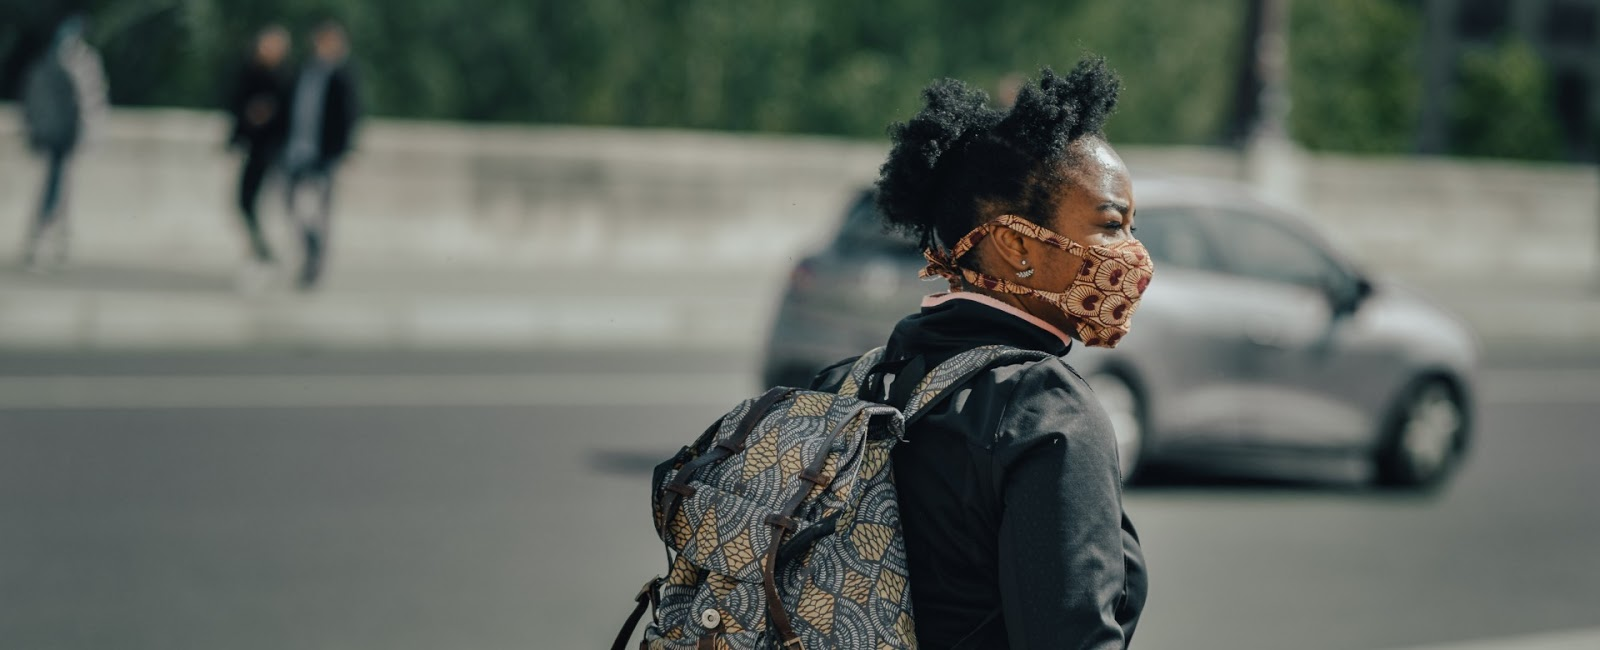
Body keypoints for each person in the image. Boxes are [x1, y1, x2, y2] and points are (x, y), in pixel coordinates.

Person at [811, 57, 1150, 648]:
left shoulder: (844, 385)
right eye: (1112, 224)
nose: (1134, 254)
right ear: (1016, 244)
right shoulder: (1044, 409)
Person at [19, 15, 106, 272]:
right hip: (62, 136)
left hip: (59, 136)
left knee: (59, 187)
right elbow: (90, 102)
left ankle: (53, 239)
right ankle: (46, 239)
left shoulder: (53, 59)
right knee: (56, 188)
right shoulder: (71, 62)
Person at [282, 19, 359, 289]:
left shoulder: (342, 75)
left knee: (318, 210)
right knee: (291, 204)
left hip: (323, 154)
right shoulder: (304, 71)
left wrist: (341, 150)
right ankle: (310, 247)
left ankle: (315, 263)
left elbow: (350, 116)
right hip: (296, 150)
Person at [226, 24, 293, 267]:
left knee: (274, 203)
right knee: (244, 201)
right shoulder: (249, 71)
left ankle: (266, 251)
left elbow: (290, 116)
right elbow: (236, 107)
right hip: (254, 149)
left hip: (273, 150)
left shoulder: (286, 78)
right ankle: (261, 248)